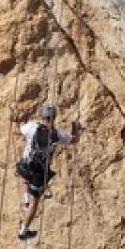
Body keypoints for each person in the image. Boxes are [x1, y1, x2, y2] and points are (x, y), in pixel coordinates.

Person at [12, 102, 78, 240]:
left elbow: (16, 131)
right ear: (54, 117)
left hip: (23, 168)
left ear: (41, 115)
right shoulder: (58, 134)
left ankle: (26, 200)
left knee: (28, 173)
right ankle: (23, 231)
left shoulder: (32, 127)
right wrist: (75, 127)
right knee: (35, 203)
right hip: (38, 175)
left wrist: (14, 116)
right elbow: (73, 140)